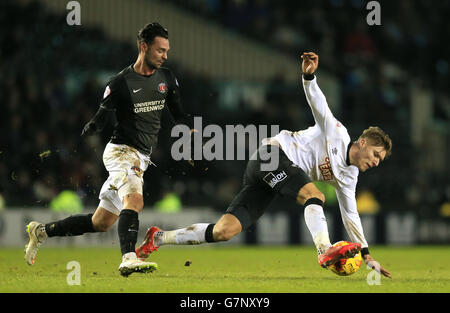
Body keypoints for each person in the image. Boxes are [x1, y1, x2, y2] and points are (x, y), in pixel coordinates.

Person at [136, 52, 392, 278]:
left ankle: (158, 237)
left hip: (273, 176)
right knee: (313, 195)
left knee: (225, 231)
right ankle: (324, 249)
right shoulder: (337, 133)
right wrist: (308, 78)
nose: (376, 162)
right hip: (271, 155)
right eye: (376, 154)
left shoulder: (349, 176)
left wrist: (366, 254)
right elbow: (320, 106)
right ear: (362, 142)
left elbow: (351, 214)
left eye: (380, 160)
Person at [25, 22, 195, 277]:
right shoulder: (120, 83)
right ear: (144, 47)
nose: (165, 56)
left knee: (100, 222)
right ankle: (128, 258)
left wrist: (189, 131)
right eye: (160, 50)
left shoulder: (167, 78)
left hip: (142, 156)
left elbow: (178, 111)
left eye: (167, 50)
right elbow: (102, 115)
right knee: (135, 200)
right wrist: (92, 126)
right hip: (121, 152)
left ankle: (41, 232)